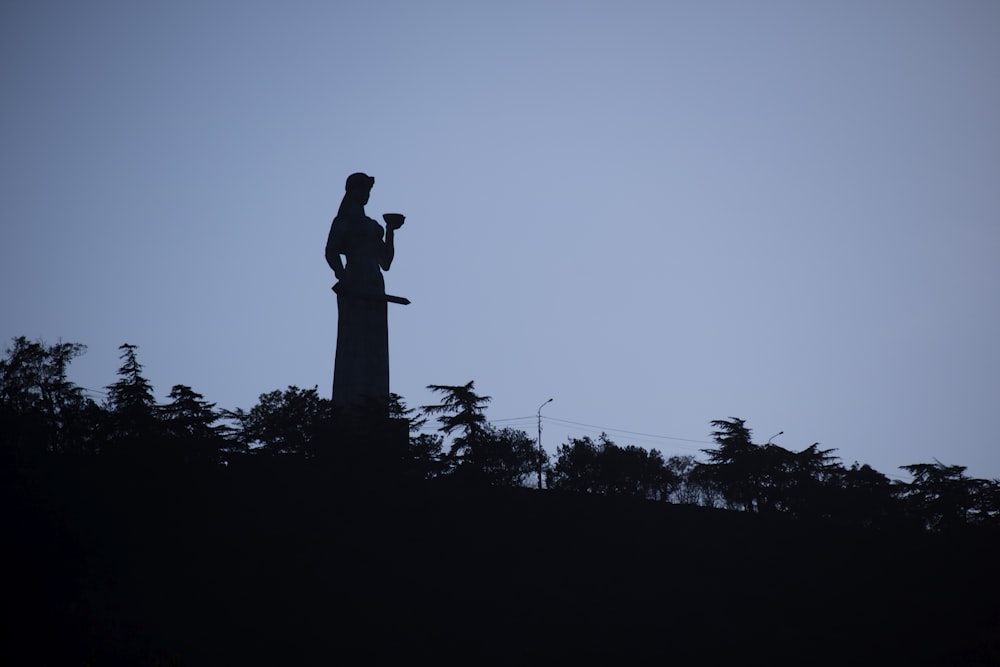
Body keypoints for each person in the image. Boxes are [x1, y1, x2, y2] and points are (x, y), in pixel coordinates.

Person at [325, 172, 401, 414]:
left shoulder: (373, 226)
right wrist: (343, 276)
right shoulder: (344, 221)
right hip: (355, 281)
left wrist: (390, 230)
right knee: (354, 340)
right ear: (350, 192)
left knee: (376, 343)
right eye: (361, 191)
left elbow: (386, 261)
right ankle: (349, 401)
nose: (365, 196)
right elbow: (331, 251)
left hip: (375, 284)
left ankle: (375, 401)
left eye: (368, 192)